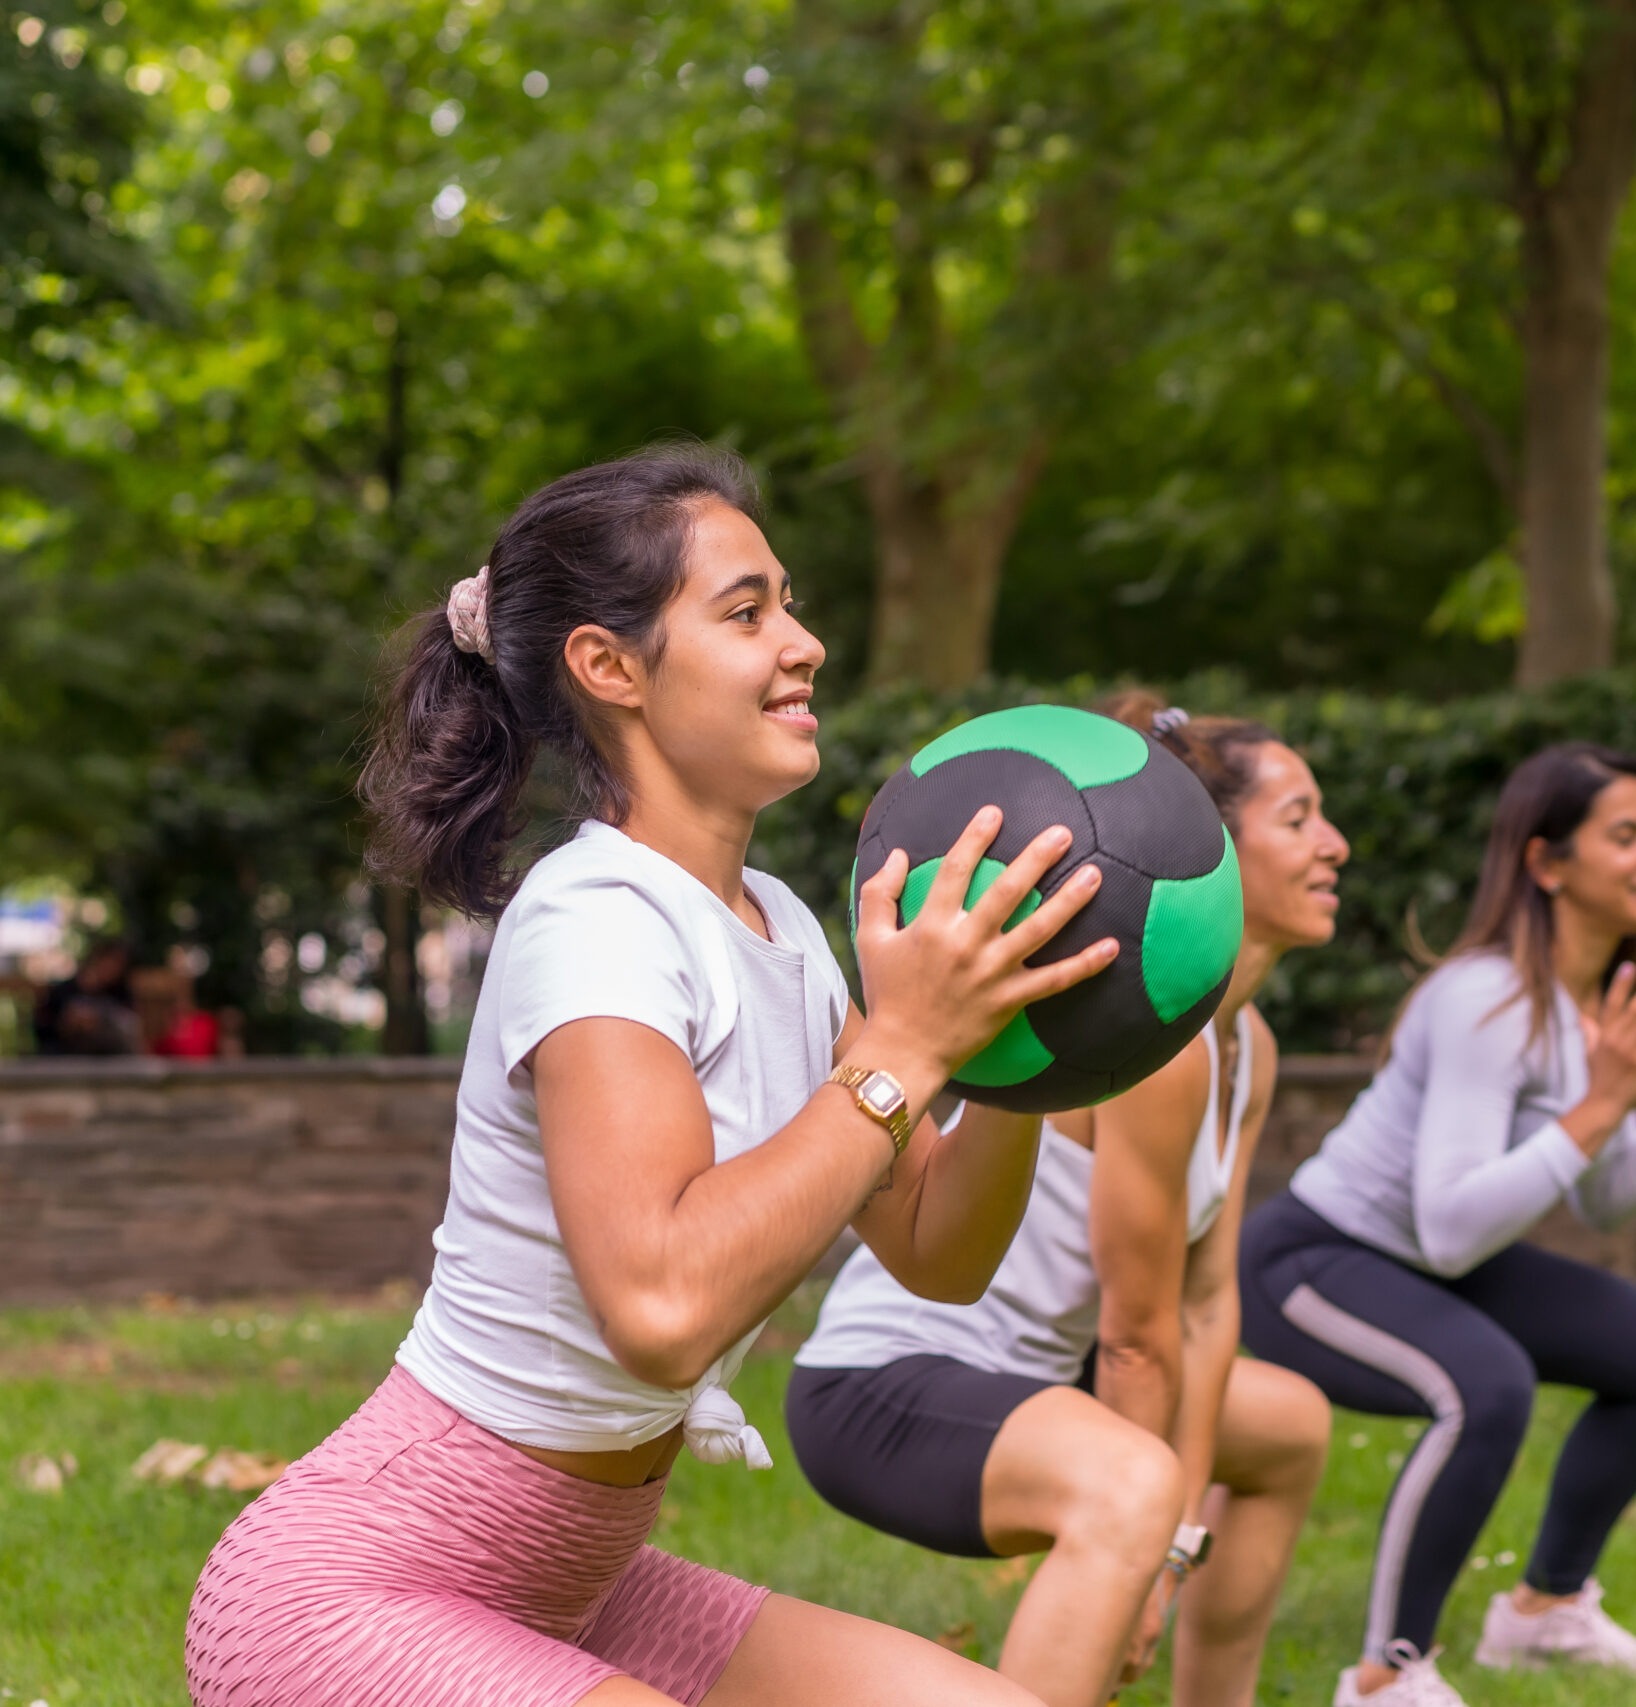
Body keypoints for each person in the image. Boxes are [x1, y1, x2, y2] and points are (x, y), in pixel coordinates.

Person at [184, 444, 1118, 1707]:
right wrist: (902, 1052)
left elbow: (938, 1251)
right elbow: (662, 1308)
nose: (804, 644)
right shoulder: (595, 916)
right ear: (609, 666)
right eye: (747, 612)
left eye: (788, 602)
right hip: (348, 1597)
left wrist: (1016, 1050)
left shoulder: (783, 926)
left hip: (581, 1584)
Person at [786, 693, 1344, 1707]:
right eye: (1301, 819)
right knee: (1126, 1487)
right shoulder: (1153, 1062)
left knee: (1292, 1426)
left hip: (1045, 1373)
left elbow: (1208, 1306)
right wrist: (1151, 1551)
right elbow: (1136, 1337)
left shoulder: (1242, 1047)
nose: (1336, 845)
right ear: (1203, 849)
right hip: (887, 1382)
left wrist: (1171, 1554)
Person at [1238, 742, 1636, 1707]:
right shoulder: (1485, 1000)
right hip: (1312, 1261)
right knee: (1485, 1383)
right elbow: (1452, 1224)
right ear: (1547, 864)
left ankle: (1543, 1615)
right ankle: (1385, 1678)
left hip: (1429, 1263)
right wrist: (1599, 1107)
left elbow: (1602, 1196)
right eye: (1626, 834)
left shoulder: (1588, 1006)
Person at [33, 937, 139, 1055]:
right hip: (65, 1052)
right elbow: (44, 1025)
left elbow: (129, 1026)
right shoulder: (65, 990)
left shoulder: (119, 991)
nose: (112, 969)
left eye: (118, 965)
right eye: (109, 962)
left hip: (108, 1053)